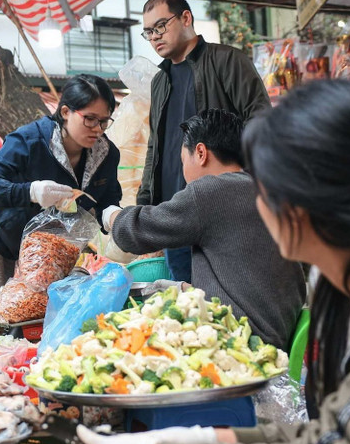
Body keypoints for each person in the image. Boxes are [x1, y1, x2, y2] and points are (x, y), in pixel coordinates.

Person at [66, 79, 350, 444]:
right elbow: (328, 431)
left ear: (306, 193)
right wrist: (197, 442)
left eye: (265, 184)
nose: (255, 198)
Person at [105, 110, 305, 348]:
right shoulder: (269, 191)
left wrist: (112, 216)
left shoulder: (210, 192)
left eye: (182, 162)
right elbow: (249, 276)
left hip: (241, 340)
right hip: (279, 334)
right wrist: (188, 289)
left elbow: (137, 232)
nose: (184, 172)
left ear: (200, 153)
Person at [137, 0, 269, 283]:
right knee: (186, 301)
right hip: (177, 211)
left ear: (186, 18)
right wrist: (146, 200)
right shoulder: (160, 81)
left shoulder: (227, 61)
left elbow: (261, 123)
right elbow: (155, 144)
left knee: (229, 296)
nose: (154, 37)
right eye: (148, 32)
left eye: (161, 26)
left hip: (224, 210)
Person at [0, 75, 122, 291]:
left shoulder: (107, 153)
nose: (98, 129)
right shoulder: (30, 141)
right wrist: (31, 192)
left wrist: (113, 215)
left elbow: (107, 198)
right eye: (90, 119)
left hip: (37, 243)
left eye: (104, 121)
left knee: (25, 305)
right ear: (65, 112)